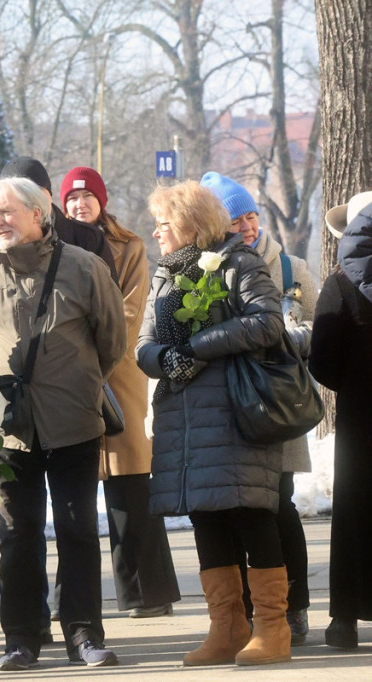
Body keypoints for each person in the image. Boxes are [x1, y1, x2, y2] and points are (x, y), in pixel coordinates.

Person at [0, 176, 126, 670]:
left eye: (7, 212)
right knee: (17, 534)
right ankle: (22, 638)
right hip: (7, 430)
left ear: (39, 213)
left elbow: (112, 342)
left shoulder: (85, 267)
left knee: (77, 530)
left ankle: (83, 634)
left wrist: (76, 383)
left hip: (74, 422)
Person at [137, 180, 289, 667]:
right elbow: (142, 345)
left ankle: (273, 628)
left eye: (164, 224)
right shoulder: (162, 275)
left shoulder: (239, 262)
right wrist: (167, 359)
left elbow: (268, 323)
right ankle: (226, 627)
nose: (157, 233)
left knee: (250, 513)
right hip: (182, 419)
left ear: (191, 226)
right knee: (205, 518)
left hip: (233, 412)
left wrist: (198, 348)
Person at [57, 167, 181, 619]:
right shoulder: (56, 247)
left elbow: (132, 307)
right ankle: (66, 599)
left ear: (102, 201)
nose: (79, 205)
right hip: (69, 377)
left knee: (131, 486)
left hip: (121, 373)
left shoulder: (130, 247)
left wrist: (92, 350)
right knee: (72, 494)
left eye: (88, 197)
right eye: (71, 198)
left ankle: (148, 593)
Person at [200, 171, 319, 644]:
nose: (247, 226)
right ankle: (249, 612)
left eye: (251, 215)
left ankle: (296, 607)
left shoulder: (290, 268)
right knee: (240, 511)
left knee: (279, 506)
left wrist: (288, 336)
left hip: (278, 407)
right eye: (235, 219)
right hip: (231, 407)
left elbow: (318, 327)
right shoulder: (208, 270)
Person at [309, 191, 372, 650]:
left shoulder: (340, 284)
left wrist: (351, 385)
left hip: (361, 416)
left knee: (352, 515)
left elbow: (321, 359)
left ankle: (345, 618)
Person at [0, 157, 117, 281]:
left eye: (35, 193)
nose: (30, 200)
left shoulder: (87, 238)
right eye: (19, 196)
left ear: (48, 195)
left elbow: (107, 306)